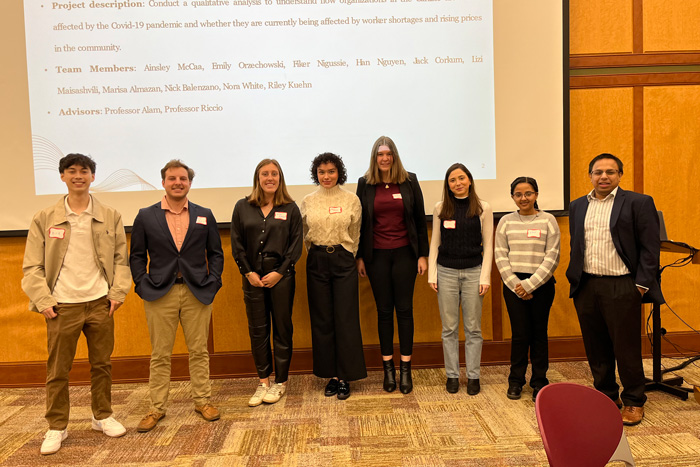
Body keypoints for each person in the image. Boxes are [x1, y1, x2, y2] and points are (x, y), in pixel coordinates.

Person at [21, 153, 131, 455]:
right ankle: (56, 426)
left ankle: (102, 415)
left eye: (84, 171)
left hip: (99, 303)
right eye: (72, 171)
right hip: (61, 306)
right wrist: (43, 301)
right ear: (62, 177)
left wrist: (118, 293)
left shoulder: (110, 215)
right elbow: (31, 268)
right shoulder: (45, 218)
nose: (78, 176)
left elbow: (121, 258)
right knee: (58, 370)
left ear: (93, 177)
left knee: (102, 364)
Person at [567, 153, 663, 426]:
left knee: (626, 347)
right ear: (590, 175)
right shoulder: (577, 206)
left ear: (620, 175)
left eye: (610, 171)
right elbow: (578, 245)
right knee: (596, 347)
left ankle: (633, 400)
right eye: (598, 172)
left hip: (623, 285)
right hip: (587, 285)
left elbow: (650, 247)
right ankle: (607, 396)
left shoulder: (638, 203)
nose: (604, 176)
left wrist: (641, 285)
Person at [130, 159, 224, 432]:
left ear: (189, 183)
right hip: (160, 294)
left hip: (197, 291)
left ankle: (203, 401)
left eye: (183, 178)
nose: (178, 182)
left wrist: (213, 281)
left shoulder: (203, 213)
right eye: (172, 178)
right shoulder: (146, 216)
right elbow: (136, 255)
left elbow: (216, 253)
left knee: (199, 351)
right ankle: (157, 408)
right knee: (160, 354)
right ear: (163, 182)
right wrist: (141, 284)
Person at [356, 136, 429, 394]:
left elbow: (420, 220)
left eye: (388, 154)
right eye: (379, 154)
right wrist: (360, 257)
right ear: (374, 158)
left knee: (405, 310)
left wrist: (423, 255)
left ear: (394, 156)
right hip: (376, 256)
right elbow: (360, 224)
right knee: (384, 311)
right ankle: (388, 369)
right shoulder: (364, 184)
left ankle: (406, 369)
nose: (384, 158)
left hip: (405, 255)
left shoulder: (409, 180)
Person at [231, 159, 302, 407]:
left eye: (274, 173)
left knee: (282, 329)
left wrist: (280, 273)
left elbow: (295, 247)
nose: (269, 178)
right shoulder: (242, 207)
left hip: (280, 277)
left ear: (280, 178)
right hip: (252, 278)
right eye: (265, 174)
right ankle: (264, 382)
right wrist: (248, 272)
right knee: (258, 330)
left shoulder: (290, 208)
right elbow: (237, 245)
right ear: (257, 178)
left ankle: (281, 382)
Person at [300, 152, 366, 400]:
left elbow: (356, 233)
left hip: (343, 259)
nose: (326, 176)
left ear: (339, 173)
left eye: (331, 171)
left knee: (345, 318)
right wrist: (316, 254)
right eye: (321, 172)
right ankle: (331, 375)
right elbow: (306, 233)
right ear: (315, 174)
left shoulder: (351, 200)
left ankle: (345, 376)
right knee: (323, 319)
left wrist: (345, 253)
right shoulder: (307, 201)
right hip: (317, 260)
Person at [428, 163, 493, 395]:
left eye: (461, 178)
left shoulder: (483, 207)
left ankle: (473, 376)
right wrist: (432, 275)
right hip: (445, 273)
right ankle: (452, 376)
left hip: (474, 272)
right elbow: (435, 242)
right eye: (452, 180)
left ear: (470, 180)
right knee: (449, 328)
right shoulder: (440, 208)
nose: (458, 183)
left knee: (474, 328)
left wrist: (485, 277)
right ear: (448, 184)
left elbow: (489, 245)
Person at [495, 177, 560, 402]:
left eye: (528, 193)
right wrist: (517, 285)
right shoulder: (505, 221)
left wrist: (530, 284)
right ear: (512, 196)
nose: (524, 198)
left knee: (539, 334)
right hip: (513, 286)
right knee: (520, 334)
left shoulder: (548, 220)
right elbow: (500, 255)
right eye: (519, 194)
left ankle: (539, 381)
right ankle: (516, 380)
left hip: (541, 285)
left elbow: (552, 257)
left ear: (536, 195)